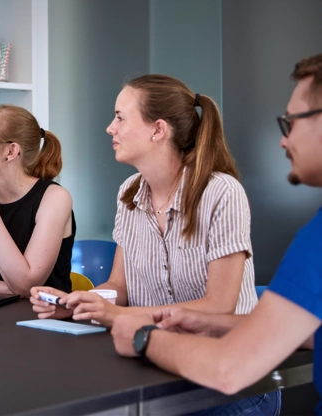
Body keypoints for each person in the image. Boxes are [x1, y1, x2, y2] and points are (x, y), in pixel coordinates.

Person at [111, 53, 322, 414]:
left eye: (291, 122)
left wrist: (145, 336)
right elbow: (304, 335)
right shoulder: (130, 192)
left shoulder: (313, 242)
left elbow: (229, 370)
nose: (283, 142)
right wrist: (198, 319)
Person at [31, 74, 258, 327]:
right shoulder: (130, 192)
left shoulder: (222, 192)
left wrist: (120, 316)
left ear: (158, 130)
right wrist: (76, 305)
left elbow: (219, 306)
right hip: (151, 345)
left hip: (223, 353)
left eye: (120, 117)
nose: (110, 128)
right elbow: (119, 287)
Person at [0, 105, 76, 296]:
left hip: (41, 318)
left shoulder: (54, 199)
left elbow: (26, 284)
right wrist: (11, 290)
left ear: (10, 151)